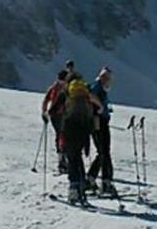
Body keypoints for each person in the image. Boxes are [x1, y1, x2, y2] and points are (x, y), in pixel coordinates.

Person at [60, 75, 103, 205]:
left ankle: (74, 188)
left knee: (72, 159)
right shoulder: (87, 100)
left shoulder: (69, 97)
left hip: (69, 131)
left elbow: (61, 114)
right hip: (83, 132)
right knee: (77, 158)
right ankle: (80, 188)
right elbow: (95, 115)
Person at [85, 67, 117, 197]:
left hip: (99, 122)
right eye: (108, 78)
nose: (109, 81)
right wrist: (101, 106)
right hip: (99, 123)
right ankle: (106, 182)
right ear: (103, 77)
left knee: (102, 152)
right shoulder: (97, 87)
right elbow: (91, 96)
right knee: (105, 152)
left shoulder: (99, 87)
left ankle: (91, 178)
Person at [40, 70, 69, 173]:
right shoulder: (65, 88)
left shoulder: (53, 87)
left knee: (59, 134)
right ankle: (63, 159)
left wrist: (44, 112)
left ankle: (61, 157)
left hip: (53, 115)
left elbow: (46, 100)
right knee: (64, 135)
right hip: (63, 114)